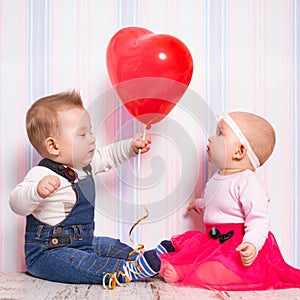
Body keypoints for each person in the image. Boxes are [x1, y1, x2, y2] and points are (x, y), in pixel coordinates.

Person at [9, 90, 172, 288]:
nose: (92, 139)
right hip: (48, 254)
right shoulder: (41, 174)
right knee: (83, 263)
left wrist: (131, 146)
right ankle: (126, 270)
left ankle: (148, 260)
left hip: (83, 243)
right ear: (53, 146)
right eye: (82, 134)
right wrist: (36, 192)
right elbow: (16, 202)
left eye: (91, 131)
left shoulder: (84, 165)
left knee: (111, 245)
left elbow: (109, 155)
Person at [159, 111, 300, 290]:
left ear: (239, 151)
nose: (210, 139)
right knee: (189, 250)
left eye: (220, 133)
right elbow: (218, 205)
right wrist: (200, 205)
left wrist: (252, 244)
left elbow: (258, 219)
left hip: (235, 245)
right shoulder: (217, 178)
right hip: (212, 240)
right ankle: (180, 265)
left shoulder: (247, 181)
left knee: (220, 267)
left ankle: (184, 271)